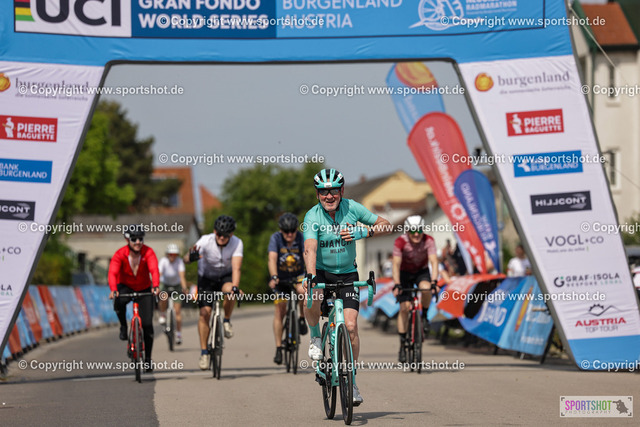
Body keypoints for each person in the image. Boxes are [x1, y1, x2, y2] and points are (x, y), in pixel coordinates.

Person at [302, 168, 390, 406]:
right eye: (323, 192)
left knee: (350, 327)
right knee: (311, 293)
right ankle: (315, 337)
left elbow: (386, 225)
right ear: (317, 194)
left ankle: (351, 381)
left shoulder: (352, 208)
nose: (329, 196)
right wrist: (311, 277)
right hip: (322, 272)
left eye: (333, 191)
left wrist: (363, 231)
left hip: (349, 274)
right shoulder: (312, 216)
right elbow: (310, 248)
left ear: (341, 191)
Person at [184, 215, 243, 370]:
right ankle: (204, 352)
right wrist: (190, 258)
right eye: (219, 234)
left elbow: (236, 268)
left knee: (231, 291)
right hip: (206, 279)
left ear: (231, 234)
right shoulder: (205, 240)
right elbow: (185, 258)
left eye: (226, 235)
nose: (222, 238)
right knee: (205, 313)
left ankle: (226, 320)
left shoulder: (237, 243)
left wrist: (235, 287)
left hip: (225, 277)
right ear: (214, 231)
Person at [109, 224, 159, 373]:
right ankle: (123, 326)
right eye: (134, 239)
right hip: (125, 286)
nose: (138, 242)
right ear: (127, 239)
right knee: (119, 301)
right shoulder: (120, 254)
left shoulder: (148, 252)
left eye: (140, 239)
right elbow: (112, 273)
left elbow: (154, 270)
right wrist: (113, 289)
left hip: (144, 287)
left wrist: (156, 286)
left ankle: (148, 359)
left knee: (148, 325)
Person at [391, 215, 439, 363]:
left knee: (426, 289)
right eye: (412, 231)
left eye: (419, 230)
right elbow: (396, 264)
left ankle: (424, 316)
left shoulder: (429, 240)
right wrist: (397, 284)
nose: (416, 234)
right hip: (404, 273)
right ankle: (402, 344)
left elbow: (434, 261)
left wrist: (434, 282)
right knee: (404, 308)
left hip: (421, 272)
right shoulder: (400, 242)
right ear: (407, 231)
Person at [268, 212, 308, 365]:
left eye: (292, 231)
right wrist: (274, 276)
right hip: (281, 278)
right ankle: (279, 347)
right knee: (280, 310)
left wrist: (309, 275)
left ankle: (302, 318)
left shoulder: (301, 237)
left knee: (302, 291)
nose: (290, 234)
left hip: (298, 276)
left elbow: (306, 255)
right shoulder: (276, 238)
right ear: (281, 230)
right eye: (286, 231)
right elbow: (272, 258)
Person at [158, 243, 188, 345]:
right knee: (163, 296)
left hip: (176, 286)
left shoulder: (179, 262)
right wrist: (157, 286)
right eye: (170, 254)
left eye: (175, 254)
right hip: (165, 284)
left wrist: (184, 288)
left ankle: (179, 334)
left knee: (178, 311)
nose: (172, 256)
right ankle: (163, 314)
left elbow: (182, 276)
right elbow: (159, 274)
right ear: (167, 254)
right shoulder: (163, 261)